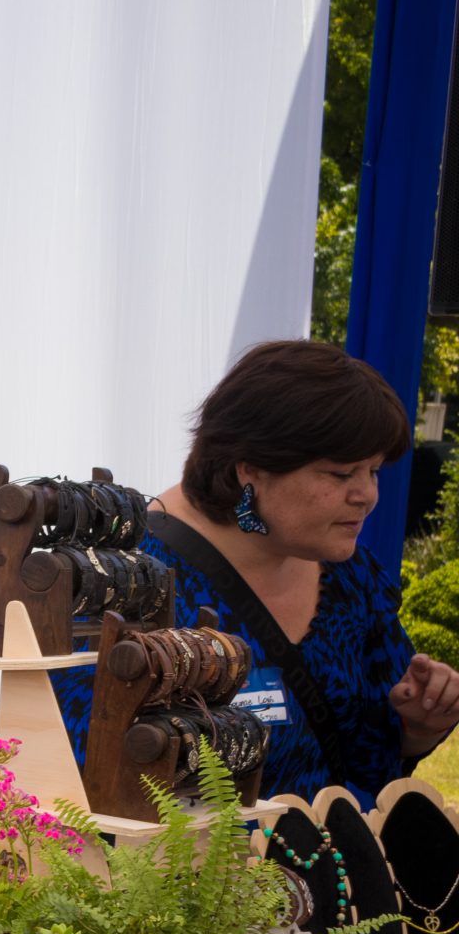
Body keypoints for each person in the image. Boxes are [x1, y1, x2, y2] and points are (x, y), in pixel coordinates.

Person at [50, 339, 459, 804]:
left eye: (374, 471)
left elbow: (366, 762)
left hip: (319, 850)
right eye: (342, 474)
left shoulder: (350, 576)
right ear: (251, 469)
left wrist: (418, 728)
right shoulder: (126, 583)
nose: (366, 495)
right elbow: (88, 785)